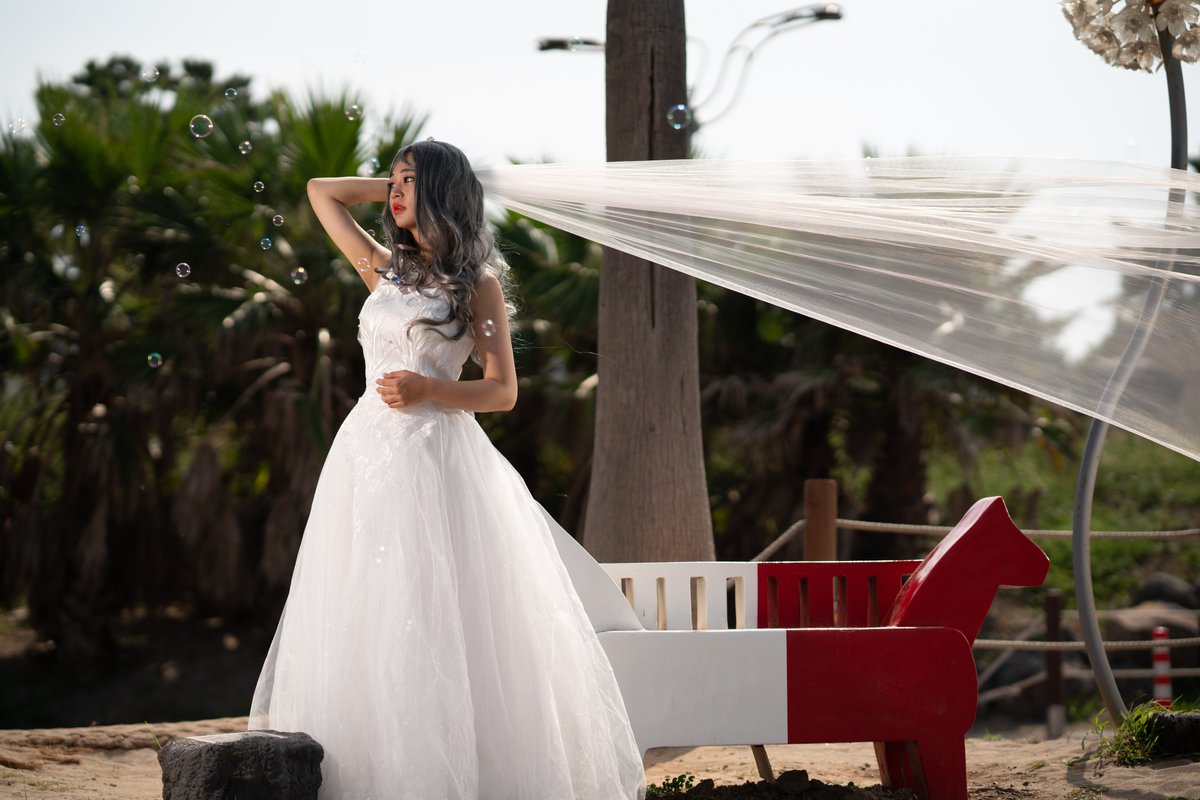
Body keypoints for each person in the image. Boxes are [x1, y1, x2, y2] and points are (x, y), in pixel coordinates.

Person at [249, 140, 646, 800]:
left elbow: (502, 391)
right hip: (365, 455)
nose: (395, 191)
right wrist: (397, 187)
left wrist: (429, 389)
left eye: (410, 181)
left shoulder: (475, 286)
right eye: (393, 181)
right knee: (367, 603)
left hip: (434, 458)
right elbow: (322, 191)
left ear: (442, 191)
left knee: (432, 607)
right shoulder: (385, 270)